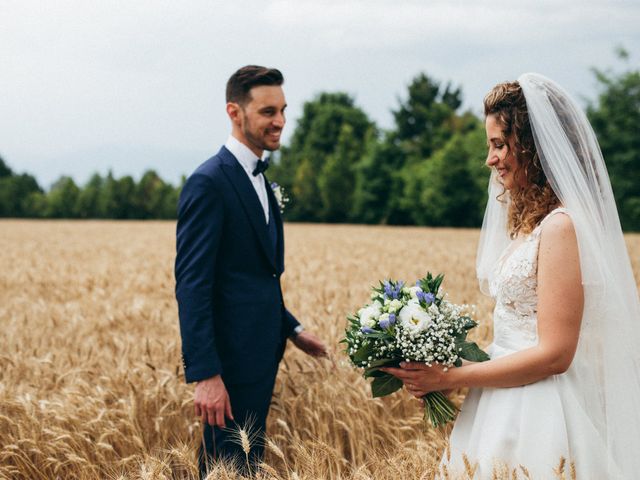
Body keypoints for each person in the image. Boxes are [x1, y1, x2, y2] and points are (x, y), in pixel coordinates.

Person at [383, 73, 640, 478]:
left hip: (540, 410)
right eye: (490, 145)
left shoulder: (560, 227)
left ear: (534, 149)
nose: (490, 158)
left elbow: (555, 353)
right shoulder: (528, 225)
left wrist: (450, 377)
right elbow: (514, 328)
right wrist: (443, 360)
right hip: (498, 400)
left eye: (500, 144)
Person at [174, 65, 327, 477]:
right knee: (225, 467)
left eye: (282, 110)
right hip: (228, 365)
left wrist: (292, 328)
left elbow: (256, 275)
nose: (279, 121)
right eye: (267, 112)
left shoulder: (261, 178)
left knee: (246, 466)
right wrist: (205, 375)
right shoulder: (209, 182)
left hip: (261, 356)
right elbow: (193, 285)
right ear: (234, 112)